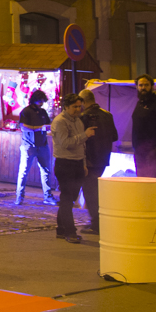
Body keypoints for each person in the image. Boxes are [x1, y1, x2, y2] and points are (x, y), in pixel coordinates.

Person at [51, 93, 95, 244]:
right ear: (66, 107)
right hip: (65, 163)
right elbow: (66, 143)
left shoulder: (78, 121)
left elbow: (81, 146)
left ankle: (61, 229)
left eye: (79, 106)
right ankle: (70, 232)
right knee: (67, 199)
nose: (78, 109)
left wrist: (83, 164)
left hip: (77, 163)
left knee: (69, 199)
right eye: (74, 107)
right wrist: (85, 135)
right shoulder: (60, 122)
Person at [78, 88, 118, 235]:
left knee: (90, 192)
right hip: (103, 158)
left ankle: (96, 224)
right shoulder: (107, 115)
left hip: (89, 159)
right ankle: (99, 221)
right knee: (96, 190)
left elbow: (81, 138)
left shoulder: (84, 116)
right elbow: (115, 136)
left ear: (83, 101)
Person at [16, 90, 58, 206]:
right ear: (35, 100)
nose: (41, 104)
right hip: (29, 145)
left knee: (46, 171)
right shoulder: (26, 111)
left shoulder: (43, 112)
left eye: (43, 101)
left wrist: (48, 128)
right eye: (40, 101)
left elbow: (48, 125)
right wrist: (40, 128)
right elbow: (23, 127)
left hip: (42, 145)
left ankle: (48, 196)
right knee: (24, 172)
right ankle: (19, 196)